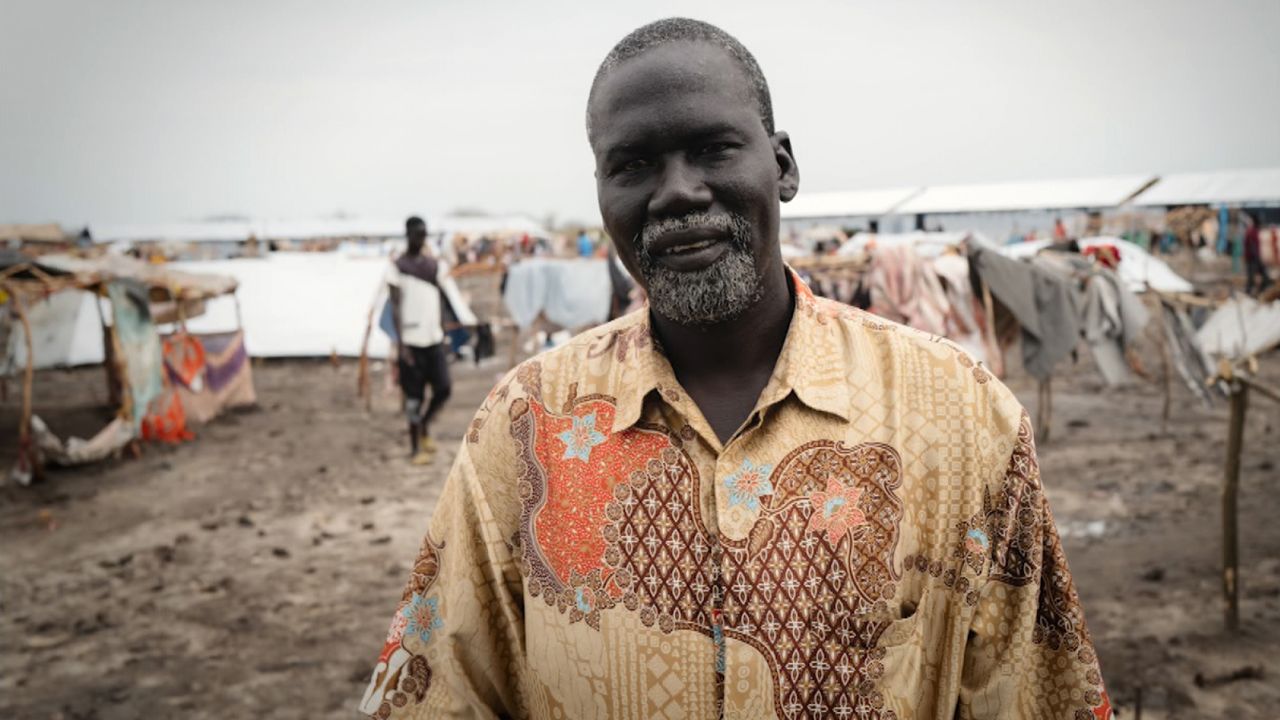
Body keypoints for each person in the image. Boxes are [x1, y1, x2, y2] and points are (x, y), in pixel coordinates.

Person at [360, 18, 1111, 720]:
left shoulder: (960, 414)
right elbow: (442, 689)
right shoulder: (525, 426)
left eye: (714, 149)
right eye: (633, 164)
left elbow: (1037, 692)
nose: (678, 190)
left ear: (781, 166)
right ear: (601, 194)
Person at [386, 216, 452, 465]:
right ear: (408, 235)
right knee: (413, 398)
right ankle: (415, 448)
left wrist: (444, 334)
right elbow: (394, 307)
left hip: (433, 339)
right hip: (411, 342)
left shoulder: (433, 266)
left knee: (444, 388)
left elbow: (441, 301)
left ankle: (424, 425)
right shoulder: (398, 267)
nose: (420, 238)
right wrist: (400, 344)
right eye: (416, 234)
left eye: (423, 234)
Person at [1244, 216, 1272, 295]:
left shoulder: (1252, 231)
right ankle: (1250, 291)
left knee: (1259, 274)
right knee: (1252, 276)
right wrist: (1257, 257)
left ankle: (1261, 289)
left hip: (1252, 257)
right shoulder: (1252, 232)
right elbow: (1252, 246)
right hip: (1253, 258)